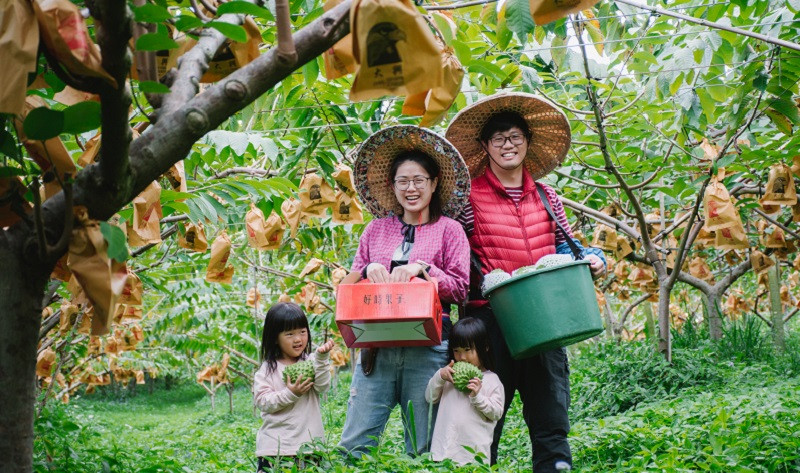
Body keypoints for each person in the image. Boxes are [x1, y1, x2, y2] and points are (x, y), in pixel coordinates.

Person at [445, 92, 607, 472]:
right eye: (498, 138)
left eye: (515, 136)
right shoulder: (468, 199)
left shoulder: (547, 196)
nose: (508, 145)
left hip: (545, 320)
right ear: (485, 146)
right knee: (482, 423)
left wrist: (594, 257)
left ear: (527, 142)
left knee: (550, 417)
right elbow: (453, 251)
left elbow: (565, 246)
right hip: (490, 323)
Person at [338, 125, 471, 458]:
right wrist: (367, 270)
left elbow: (460, 288)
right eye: (403, 181)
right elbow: (351, 284)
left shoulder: (450, 230)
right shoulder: (375, 230)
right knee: (355, 444)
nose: (411, 189)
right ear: (392, 186)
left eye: (419, 180)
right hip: (376, 347)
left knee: (422, 446)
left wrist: (424, 269)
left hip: (428, 348)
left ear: (434, 183)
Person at [253, 302, 335, 472]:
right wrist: (290, 393)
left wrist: (321, 359)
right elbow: (262, 401)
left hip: (310, 447)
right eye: (290, 334)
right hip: (275, 449)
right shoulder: (267, 370)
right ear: (275, 338)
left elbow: (322, 386)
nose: (298, 339)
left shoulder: (311, 362)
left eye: (302, 332)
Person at [425, 317, 504, 465]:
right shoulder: (449, 377)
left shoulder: (492, 380)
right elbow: (430, 397)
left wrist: (477, 397)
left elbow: (496, 412)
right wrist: (440, 376)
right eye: (457, 351)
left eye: (468, 350)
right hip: (443, 453)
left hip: (473, 457)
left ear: (485, 347)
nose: (462, 357)